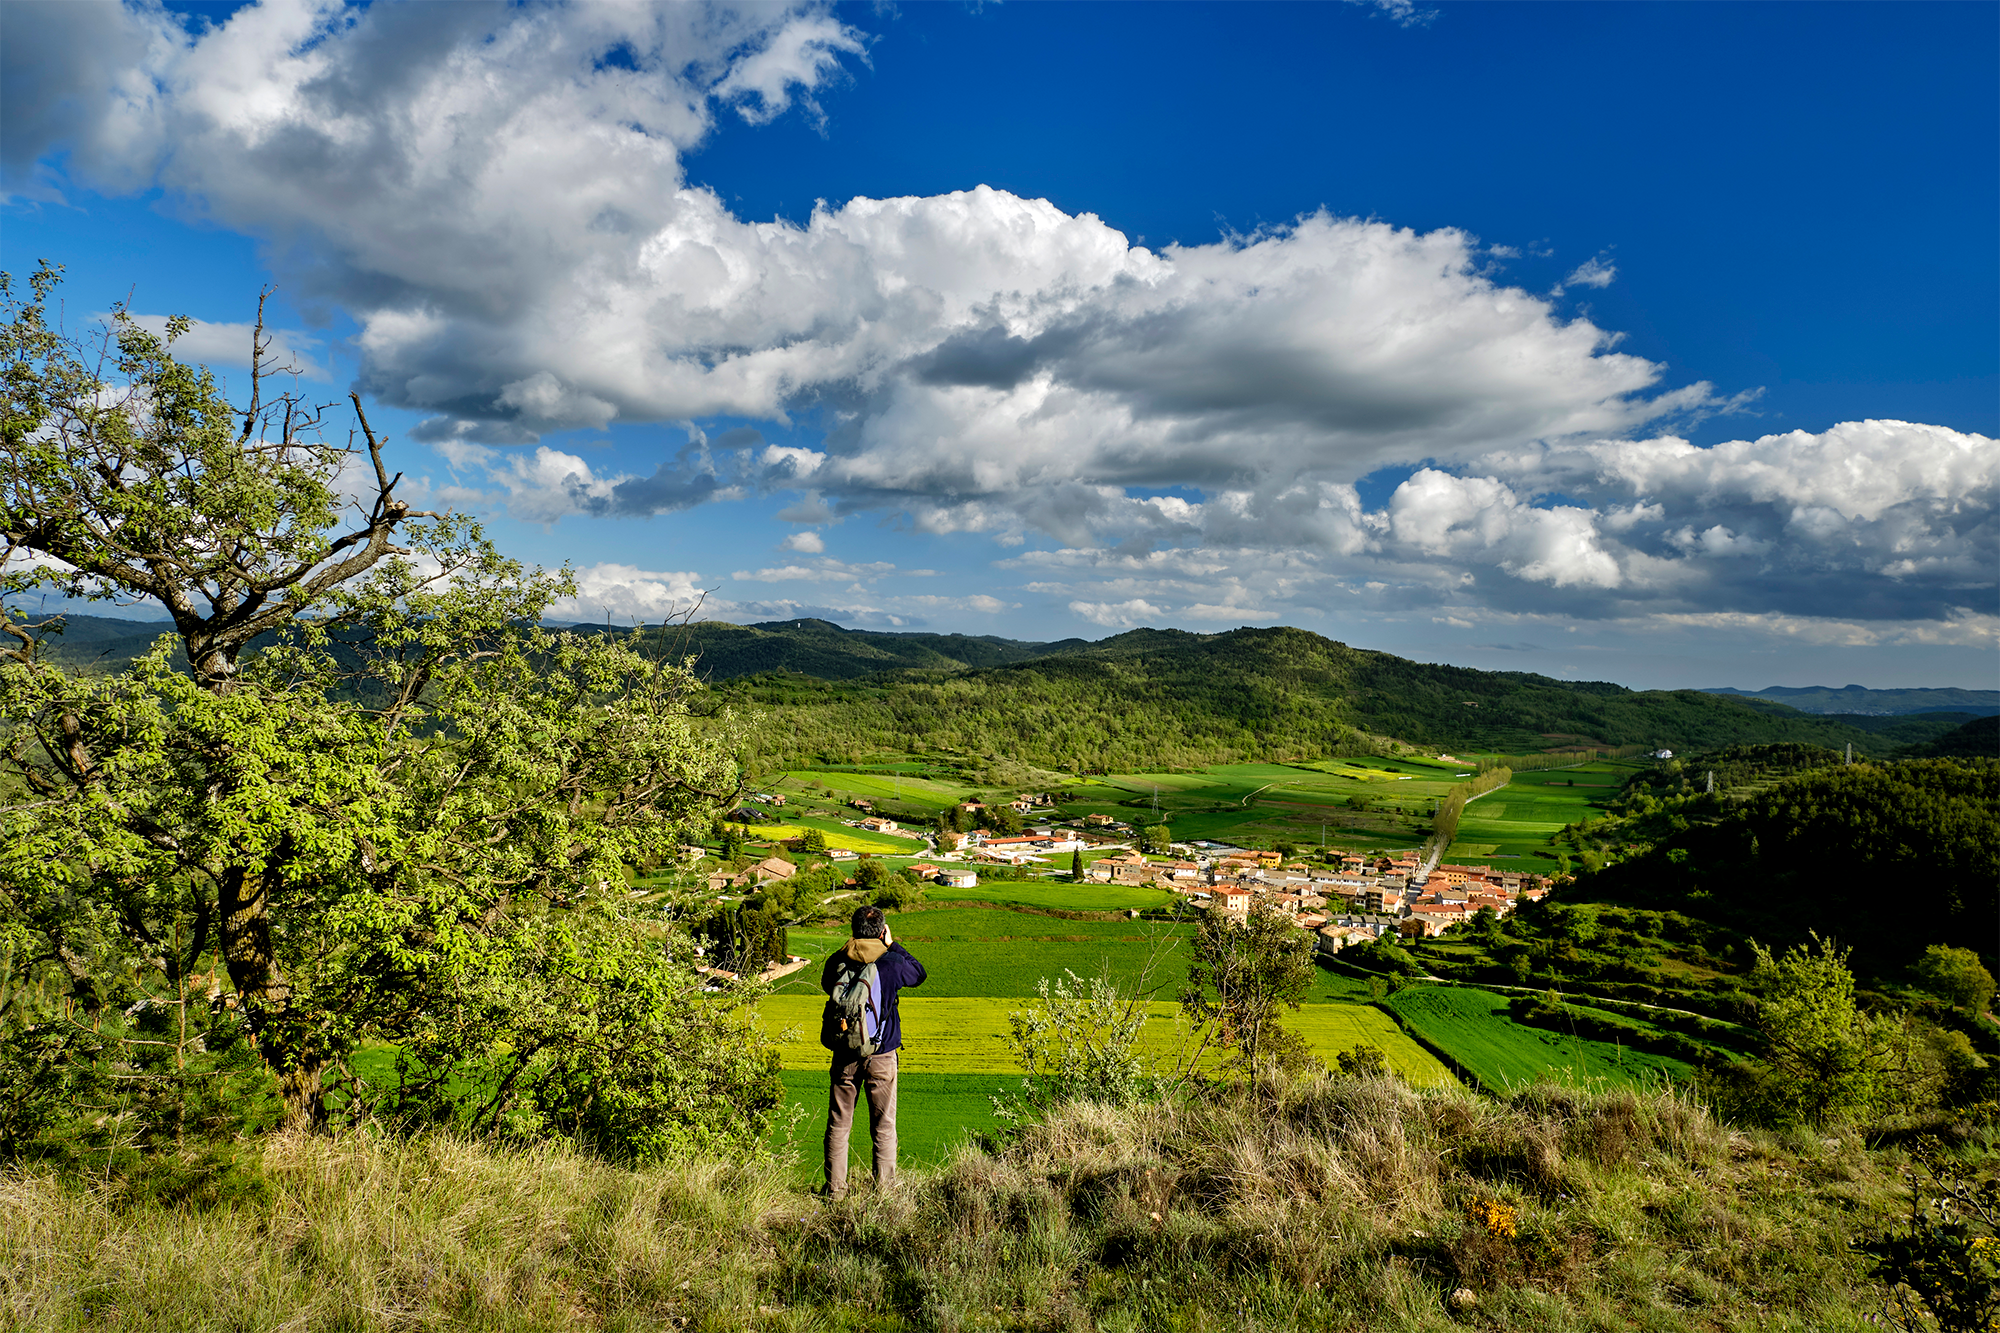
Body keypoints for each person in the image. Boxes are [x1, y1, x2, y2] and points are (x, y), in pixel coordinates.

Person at [819, 904, 926, 1197]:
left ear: (853, 931)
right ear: (882, 930)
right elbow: (919, 973)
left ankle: (836, 1192)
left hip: (844, 1054)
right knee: (883, 1126)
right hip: (882, 1054)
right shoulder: (890, 962)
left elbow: (826, 983)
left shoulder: (838, 960)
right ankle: (885, 1195)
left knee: (839, 1124)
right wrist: (893, 944)